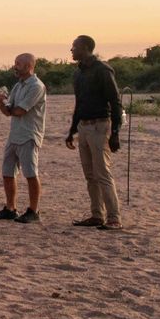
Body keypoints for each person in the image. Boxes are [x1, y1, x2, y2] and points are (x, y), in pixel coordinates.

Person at [62, 35, 124, 229]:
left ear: (85, 48)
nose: (71, 50)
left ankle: (114, 218)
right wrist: (72, 130)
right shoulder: (78, 74)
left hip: (100, 125)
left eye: (74, 47)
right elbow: (79, 104)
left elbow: (115, 102)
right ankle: (97, 214)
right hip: (84, 126)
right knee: (90, 174)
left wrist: (115, 132)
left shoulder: (103, 70)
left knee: (102, 172)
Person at [0, 52, 46, 223]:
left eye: (18, 63)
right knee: (7, 172)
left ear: (29, 66)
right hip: (14, 135)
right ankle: (10, 208)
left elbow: (20, 111)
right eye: (15, 62)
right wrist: (1, 102)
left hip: (29, 135)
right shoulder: (18, 86)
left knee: (30, 173)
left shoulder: (36, 86)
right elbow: (8, 111)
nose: (15, 66)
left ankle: (33, 210)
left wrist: (6, 105)